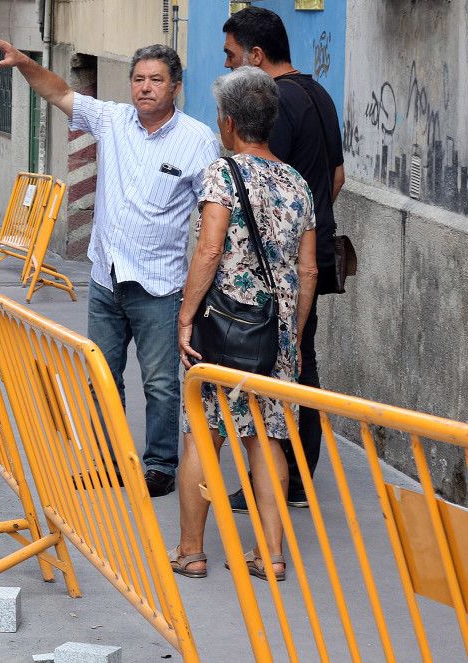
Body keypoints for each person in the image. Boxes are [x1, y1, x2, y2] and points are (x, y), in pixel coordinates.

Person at [0, 38, 219, 497]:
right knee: (100, 378)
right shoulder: (112, 121)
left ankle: (160, 466)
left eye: (156, 80)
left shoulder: (197, 142)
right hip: (107, 279)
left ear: (176, 87)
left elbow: (213, 215)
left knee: (162, 383)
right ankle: (109, 461)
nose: (145, 88)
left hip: (159, 285)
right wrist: (27, 63)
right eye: (138, 79)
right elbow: (58, 92)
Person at [170, 66, 318, 582]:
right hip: (275, 335)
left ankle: (191, 551)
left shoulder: (222, 174)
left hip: (223, 329)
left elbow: (210, 249)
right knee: (267, 438)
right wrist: (293, 338)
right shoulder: (297, 183)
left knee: (202, 436)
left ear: (229, 122)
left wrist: (185, 316)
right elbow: (308, 270)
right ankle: (269, 555)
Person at [221, 6, 344, 512]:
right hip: (311, 255)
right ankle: (295, 479)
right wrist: (309, 233)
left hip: (275, 269)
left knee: (267, 369)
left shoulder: (271, 103)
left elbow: (262, 181)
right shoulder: (319, 94)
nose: (228, 68)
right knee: (301, 362)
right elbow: (335, 178)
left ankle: (274, 479)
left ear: (256, 54)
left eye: (232, 57)